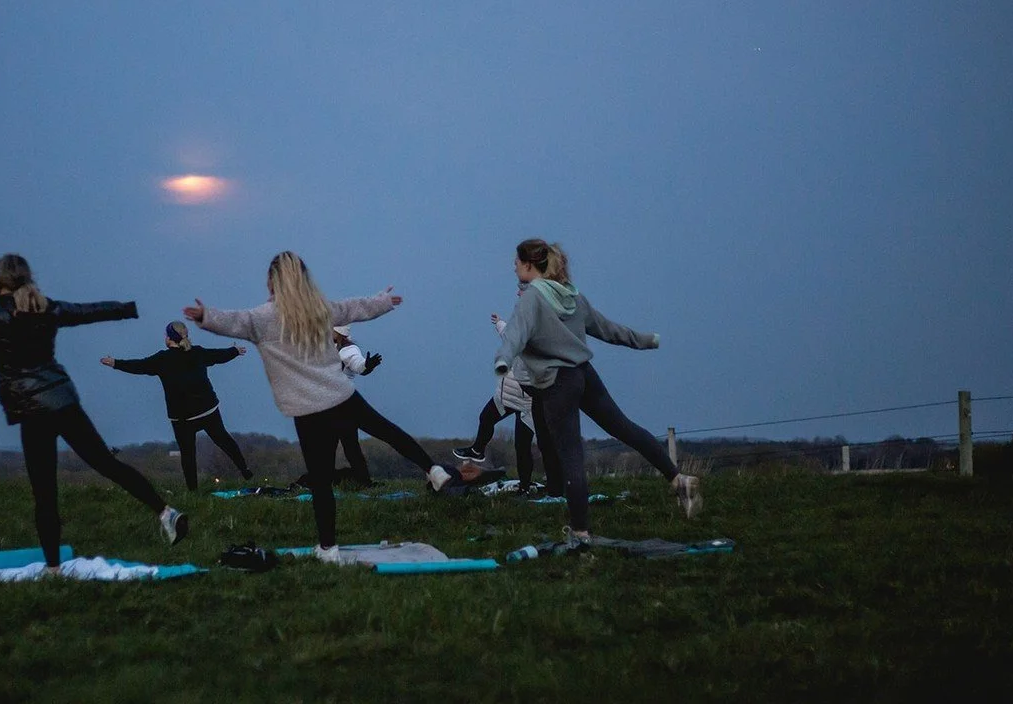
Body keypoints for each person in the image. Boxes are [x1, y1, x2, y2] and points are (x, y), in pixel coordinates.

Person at [0, 254, 188, 574]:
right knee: (107, 463)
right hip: (64, 401)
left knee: (44, 491)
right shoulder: (49, 308)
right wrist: (126, 309)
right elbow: (88, 311)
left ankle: (54, 569)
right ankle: (166, 512)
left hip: (33, 410)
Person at [183, 251, 452, 562]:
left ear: (272, 283)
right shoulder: (319, 310)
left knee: (321, 481)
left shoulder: (262, 318)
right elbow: (353, 308)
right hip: (340, 395)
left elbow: (233, 322)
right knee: (387, 431)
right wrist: (382, 302)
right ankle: (433, 469)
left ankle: (328, 549)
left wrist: (205, 317)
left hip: (308, 411)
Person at [494, 239, 701, 548]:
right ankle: (678, 479)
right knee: (626, 429)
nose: (512, 266)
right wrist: (647, 340)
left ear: (528, 265)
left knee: (571, 458)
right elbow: (609, 329)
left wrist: (502, 361)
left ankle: (580, 535)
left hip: (556, 384)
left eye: (516, 261)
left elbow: (515, 333)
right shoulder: (572, 296)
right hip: (584, 375)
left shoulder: (531, 298)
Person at [99, 321, 255, 491]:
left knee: (188, 454)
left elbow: (139, 366)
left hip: (182, 417)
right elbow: (218, 355)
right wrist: (234, 351)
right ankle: (244, 469)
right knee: (224, 440)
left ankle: (193, 491)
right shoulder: (197, 353)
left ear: (169, 339)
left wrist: (115, 363)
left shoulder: (162, 359)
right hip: (207, 409)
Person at [451, 304, 562, 494]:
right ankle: (478, 449)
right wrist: (499, 322)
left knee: (522, 447)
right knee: (485, 418)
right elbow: (506, 332)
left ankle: (525, 487)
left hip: (527, 403)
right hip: (505, 395)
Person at [328, 324, 383, 486]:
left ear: (338, 332)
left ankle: (364, 481)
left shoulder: (348, 350)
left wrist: (367, 365)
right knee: (331, 445)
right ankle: (328, 478)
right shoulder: (330, 346)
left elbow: (358, 365)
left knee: (349, 445)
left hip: (343, 405)